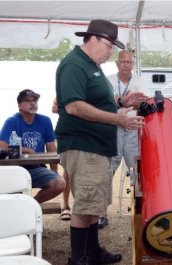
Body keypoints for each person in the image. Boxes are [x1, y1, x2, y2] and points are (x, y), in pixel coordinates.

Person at [55, 19, 145, 265]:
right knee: (85, 206)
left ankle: (93, 252)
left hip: (96, 146)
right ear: (93, 39)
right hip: (84, 144)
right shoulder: (75, 65)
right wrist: (117, 119)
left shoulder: (91, 65)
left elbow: (94, 100)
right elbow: (74, 106)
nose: (110, 53)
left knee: (93, 204)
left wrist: (122, 103)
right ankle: (79, 259)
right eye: (109, 46)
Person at [98, 50, 147, 229]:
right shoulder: (108, 80)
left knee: (137, 170)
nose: (126, 64)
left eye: (129, 62)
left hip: (133, 129)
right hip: (113, 128)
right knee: (108, 170)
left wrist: (122, 101)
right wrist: (124, 101)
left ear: (132, 64)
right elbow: (103, 103)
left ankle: (142, 212)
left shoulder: (140, 81)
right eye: (123, 61)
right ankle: (102, 213)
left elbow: (143, 102)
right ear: (117, 63)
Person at [0, 89, 66, 203]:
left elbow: (51, 148)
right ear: (19, 105)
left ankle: (30, 205)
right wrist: (26, 150)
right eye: (27, 100)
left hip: (36, 168)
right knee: (11, 197)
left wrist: (54, 171)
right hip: (15, 169)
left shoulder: (45, 121)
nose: (32, 103)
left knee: (59, 183)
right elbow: (2, 146)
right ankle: (20, 209)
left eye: (35, 100)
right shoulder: (12, 121)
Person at [52, 98, 72, 221]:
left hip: (87, 133)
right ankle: (66, 205)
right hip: (68, 132)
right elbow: (54, 108)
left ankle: (85, 208)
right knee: (68, 170)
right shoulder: (65, 89)